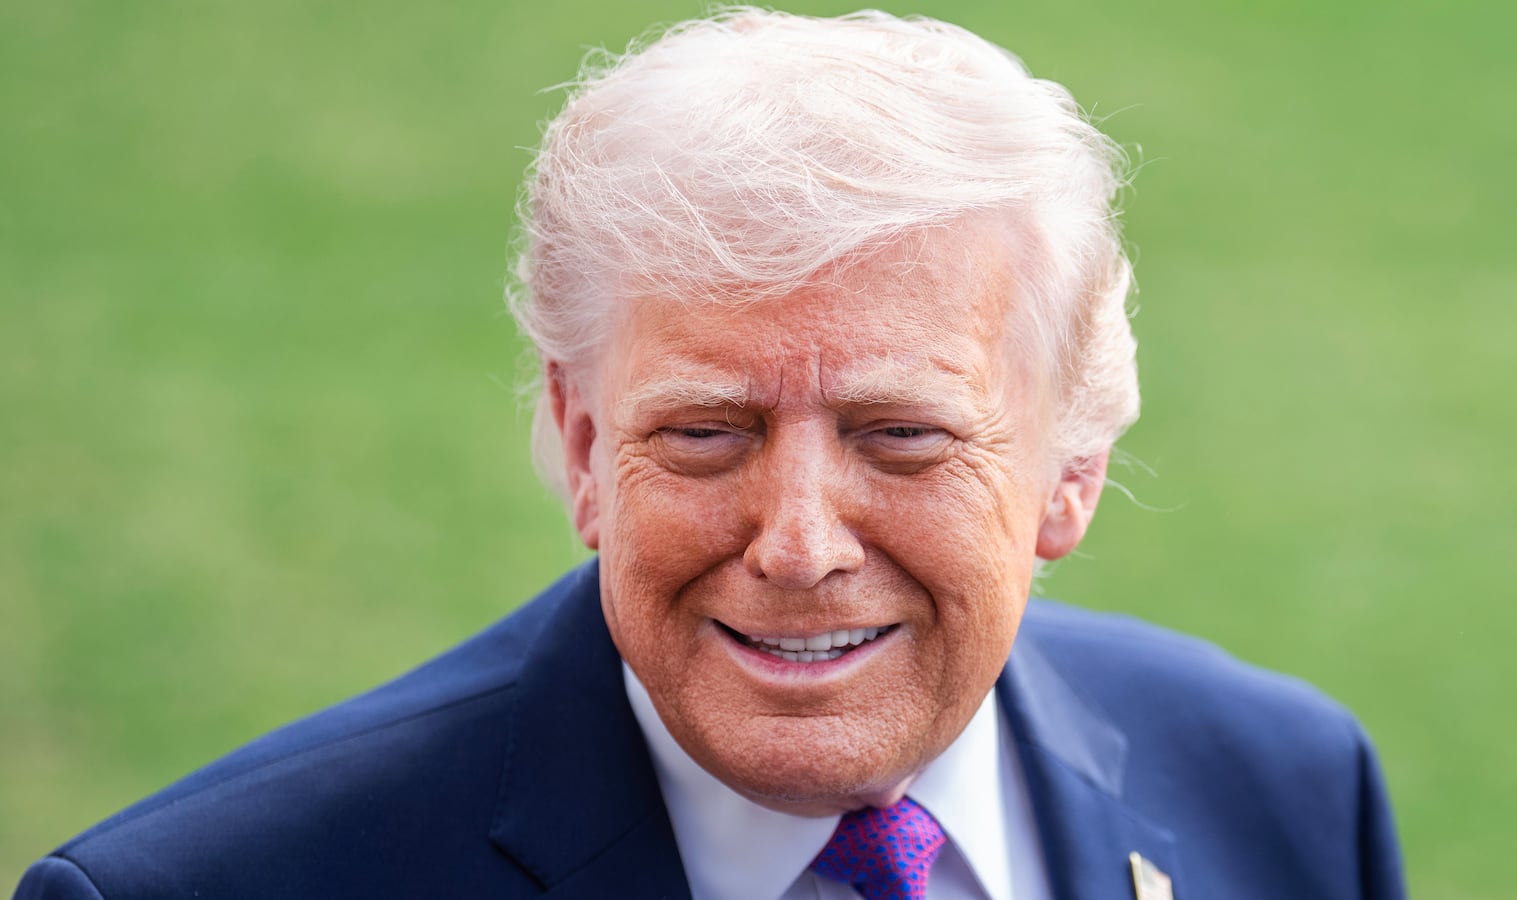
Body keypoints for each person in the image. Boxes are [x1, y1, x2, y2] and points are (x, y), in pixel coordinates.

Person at [14, 9, 1405, 900]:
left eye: (901, 437)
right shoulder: (204, 891)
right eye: (704, 434)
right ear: (577, 444)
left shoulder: (1285, 790)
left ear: (1070, 468)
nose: (798, 544)